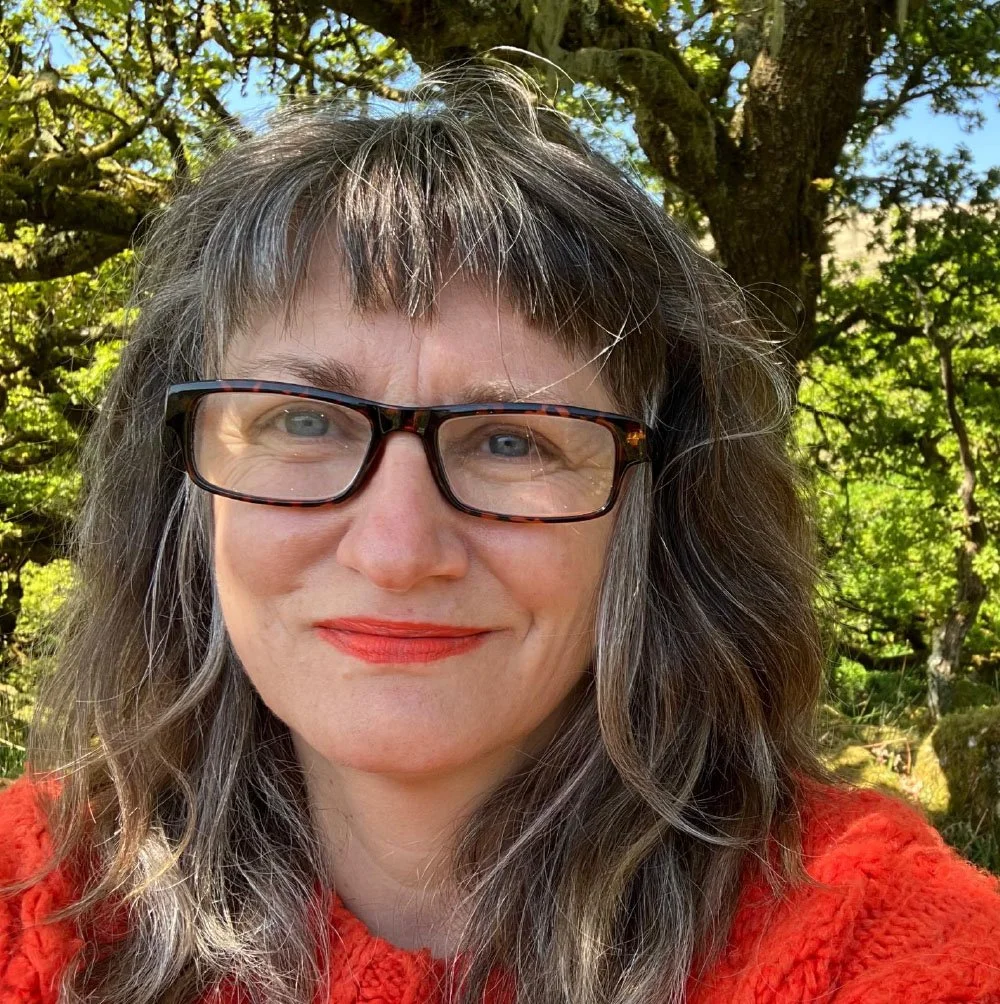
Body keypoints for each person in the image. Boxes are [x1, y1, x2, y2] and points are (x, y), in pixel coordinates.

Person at [1, 62, 998, 1004]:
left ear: (659, 514)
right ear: (183, 486)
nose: (394, 550)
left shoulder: (880, 944)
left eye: (514, 440)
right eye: (301, 421)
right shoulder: (29, 903)